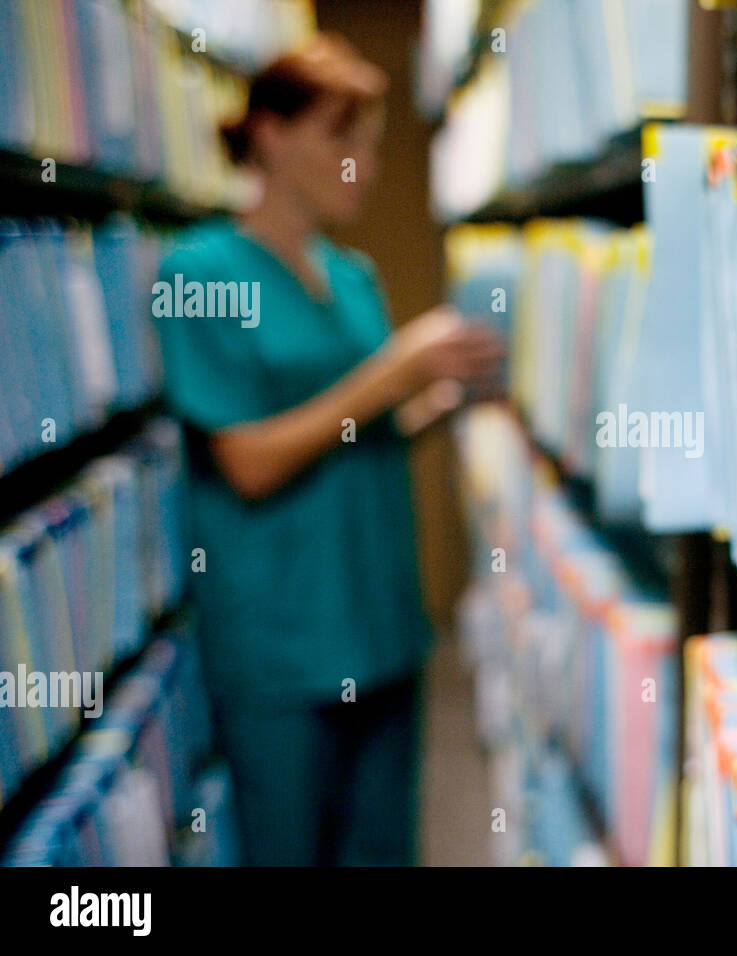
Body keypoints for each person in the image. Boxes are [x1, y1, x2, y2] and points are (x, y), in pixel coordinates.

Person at [152, 33, 502, 865]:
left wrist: (442, 402)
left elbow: (360, 434)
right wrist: (390, 375)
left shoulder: (354, 276)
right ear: (269, 134)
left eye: (372, 145)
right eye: (340, 139)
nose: (364, 165)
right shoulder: (198, 271)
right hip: (285, 643)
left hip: (382, 625)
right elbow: (248, 462)